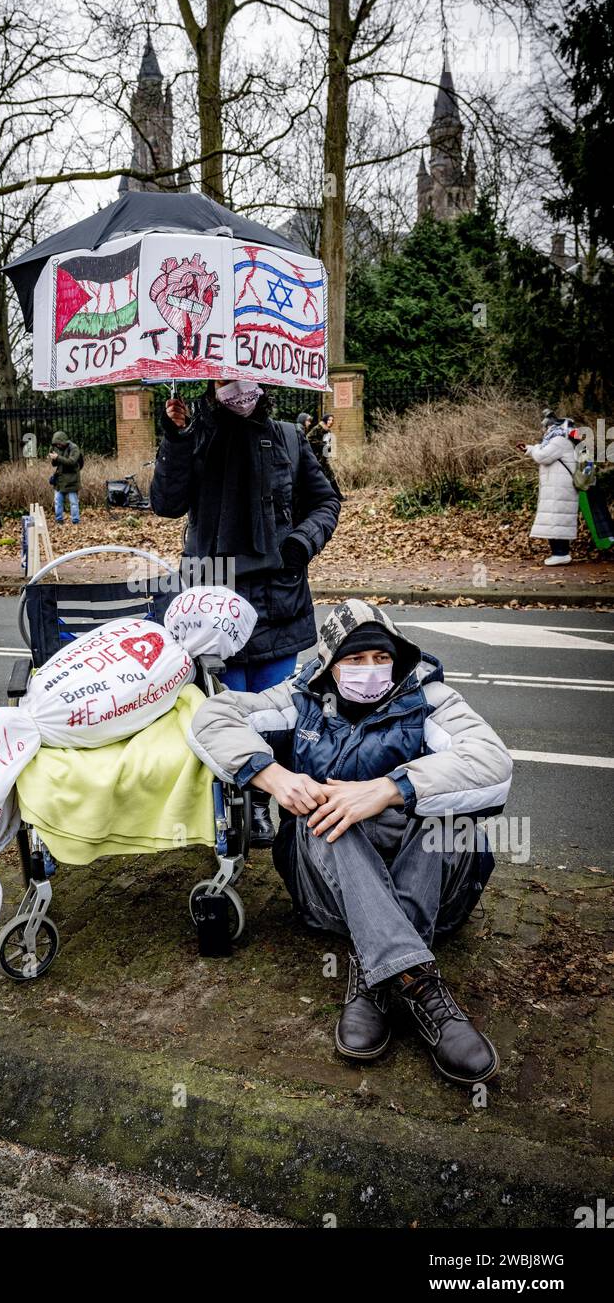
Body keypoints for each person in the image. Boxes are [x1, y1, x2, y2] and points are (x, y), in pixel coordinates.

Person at [188, 598, 512, 1085]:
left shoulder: (431, 699)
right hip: (330, 892)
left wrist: (390, 789)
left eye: (381, 658)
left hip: (437, 892)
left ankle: (376, 973)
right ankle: (421, 986)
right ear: (329, 665)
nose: (370, 669)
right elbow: (212, 717)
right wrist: (273, 776)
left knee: (446, 811)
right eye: (354, 659)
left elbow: (492, 762)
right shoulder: (298, 700)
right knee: (324, 810)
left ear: (398, 659)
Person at [150, 378, 340, 846]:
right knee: (223, 715)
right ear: (210, 383)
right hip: (212, 605)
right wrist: (175, 437)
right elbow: (166, 504)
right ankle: (225, 810)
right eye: (225, 379)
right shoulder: (194, 436)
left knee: (276, 714)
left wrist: (301, 543)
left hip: (279, 597)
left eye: (246, 377)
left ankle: (260, 808)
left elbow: (326, 501)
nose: (237, 386)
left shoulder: (290, 438)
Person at [518, 410, 580, 565]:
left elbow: (542, 457)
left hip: (559, 487)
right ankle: (560, 553)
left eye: (546, 427)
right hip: (559, 486)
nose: (545, 431)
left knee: (556, 519)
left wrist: (535, 448)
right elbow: (544, 453)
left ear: (553, 427)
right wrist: (531, 449)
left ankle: (561, 554)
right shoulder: (566, 438)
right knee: (557, 519)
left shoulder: (559, 439)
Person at [307, 412, 344, 500]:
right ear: (325, 420)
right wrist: (322, 444)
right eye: (329, 420)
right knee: (317, 478)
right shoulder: (317, 428)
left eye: (332, 420)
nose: (331, 422)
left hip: (323, 459)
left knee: (331, 477)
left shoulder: (328, 431)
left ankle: (338, 496)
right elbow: (308, 439)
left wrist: (329, 449)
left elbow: (327, 445)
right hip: (316, 459)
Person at [49, 429, 82, 525]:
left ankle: (75, 521)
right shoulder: (57, 448)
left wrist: (57, 457)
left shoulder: (74, 448)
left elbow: (72, 462)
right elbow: (54, 465)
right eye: (56, 444)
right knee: (58, 501)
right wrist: (53, 458)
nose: (58, 446)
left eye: (59, 443)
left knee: (73, 503)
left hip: (72, 479)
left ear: (63, 441)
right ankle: (59, 520)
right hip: (60, 480)